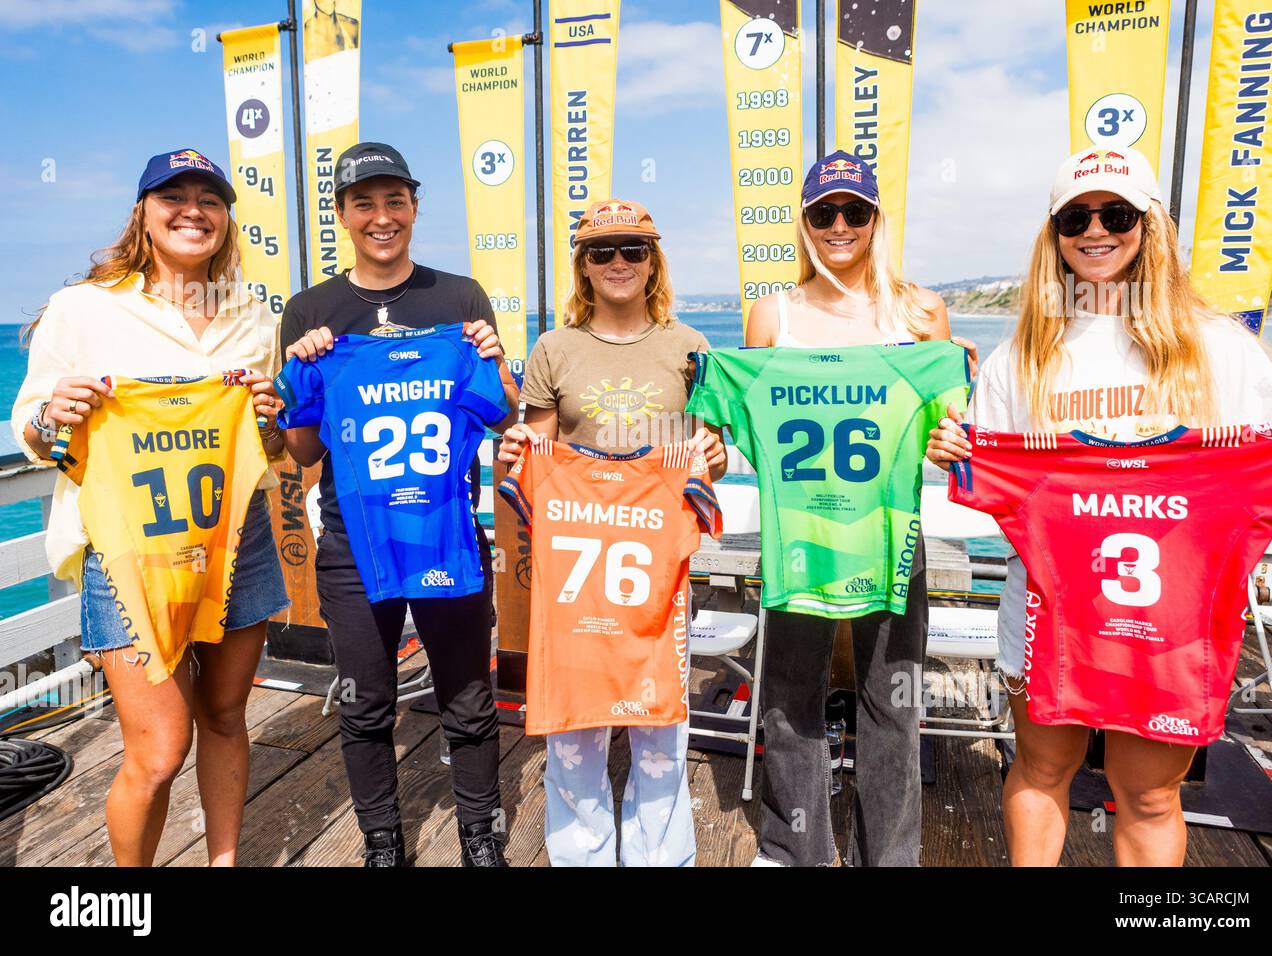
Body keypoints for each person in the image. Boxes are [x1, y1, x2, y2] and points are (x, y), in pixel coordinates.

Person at [926, 145, 1272, 866]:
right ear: (1054, 232)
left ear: (1150, 224)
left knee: (1151, 795)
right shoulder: (1022, 356)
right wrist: (958, 454)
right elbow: (995, 484)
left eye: (1117, 213)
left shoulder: (1221, 348)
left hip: (1172, 624)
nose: (1095, 231)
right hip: (1049, 614)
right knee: (1039, 770)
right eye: (1075, 217)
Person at [11, 148, 289, 866]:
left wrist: (266, 419)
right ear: (144, 212)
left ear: (227, 220)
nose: (193, 209)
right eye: (174, 195)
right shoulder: (83, 309)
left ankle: (222, 861)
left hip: (237, 539)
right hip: (128, 547)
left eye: (210, 198)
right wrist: (53, 414)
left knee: (227, 713)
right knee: (161, 747)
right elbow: (35, 430)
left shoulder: (253, 316)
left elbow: (272, 446)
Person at [277, 142, 519, 867]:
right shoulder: (310, 310)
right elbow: (301, 452)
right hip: (355, 545)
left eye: (394, 201)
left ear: (414, 206)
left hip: (444, 533)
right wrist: (299, 369)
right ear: (343, 214)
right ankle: (381, 840)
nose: (381, 217)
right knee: (363, 702)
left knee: (470, 699)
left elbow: (505, 414)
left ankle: (481, 833)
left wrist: (494, 355)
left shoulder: (459, 298)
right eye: (364, 203)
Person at [742, 151, 977, 867]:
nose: (839, 226)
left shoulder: (920, 310)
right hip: (800, 540)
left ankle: (891, 857)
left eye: (855, 211)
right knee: (788, 701)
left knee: (893, 706)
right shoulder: (772, 312)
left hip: (891, 538)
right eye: (824, 212)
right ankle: (798, 849)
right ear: (804, 223)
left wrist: (950, 436)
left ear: (878, 219)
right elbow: (759, 437)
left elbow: (951, 434)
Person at [497, 198, 727, 866]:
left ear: (654, 259)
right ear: (583, 266)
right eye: (603, 251)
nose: (619, 263)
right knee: (574, 733)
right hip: (576, 575)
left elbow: (710, 449)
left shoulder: (690, 347)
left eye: (633, 249)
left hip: (658, 577)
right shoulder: (554, 349)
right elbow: (538, 455)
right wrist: (517, 453)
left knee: (660, 734)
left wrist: (711, 457)